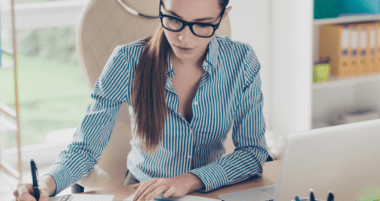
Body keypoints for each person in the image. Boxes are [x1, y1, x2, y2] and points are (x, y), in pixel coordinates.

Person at [13, 0, 268, 200]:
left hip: (212, 191)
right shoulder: (127, 61)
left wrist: (189, 180)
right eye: (174, 19)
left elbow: (253, 153)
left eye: (202, 24)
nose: (184, 38)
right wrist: (47, 183)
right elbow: (85, 148)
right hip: (143, 194)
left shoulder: (241, 61)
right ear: (160, 8)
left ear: (222, 16)